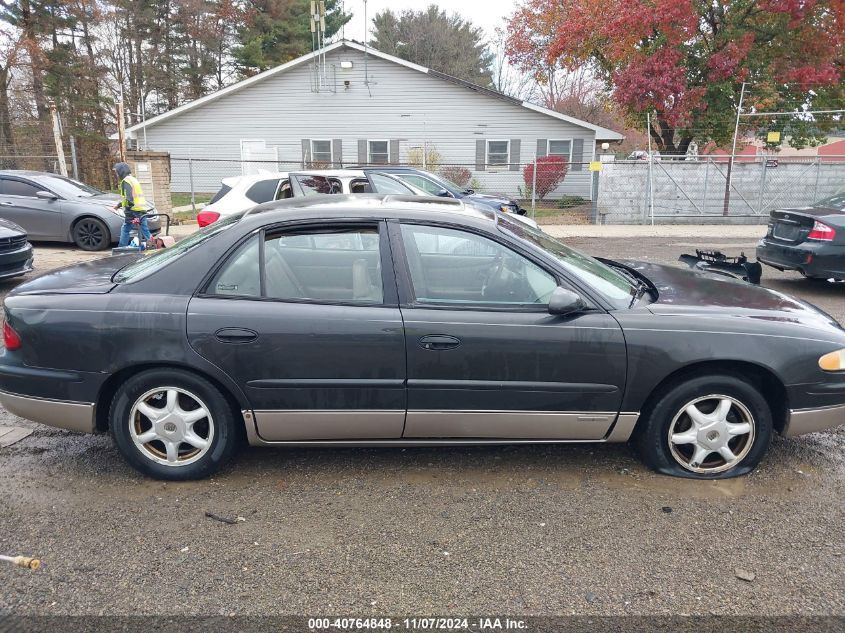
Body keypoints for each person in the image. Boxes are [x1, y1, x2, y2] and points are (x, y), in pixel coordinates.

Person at [113, 162, 153, 247]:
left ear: (121, 171)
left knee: (125, 229)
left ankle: (121, 248)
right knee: (145, 229)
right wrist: (119, 205)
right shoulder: (133, 179)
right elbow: (130, 197)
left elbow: (129, 198)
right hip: (141, 209)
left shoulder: (125, 181)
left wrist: (127, 209)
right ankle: (154, 245)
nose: (116, 174)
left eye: (117, 172)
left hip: (133, 210)